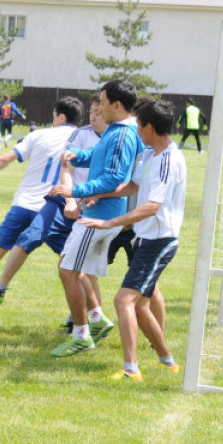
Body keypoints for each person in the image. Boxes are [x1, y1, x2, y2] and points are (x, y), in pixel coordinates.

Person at [75, 100, 185, 381]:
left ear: (148, 128)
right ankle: (168, 361)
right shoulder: (149, 153)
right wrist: (100, 195)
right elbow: (133, 186)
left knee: (123, 300)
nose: (135, 129)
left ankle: (130, 369)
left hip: (160, 241)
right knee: (139, 304)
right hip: (145, 237)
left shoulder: (170, 160)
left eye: (138, 125)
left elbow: (152, 206)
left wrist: (110, 222)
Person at [0, 97, 84, 328]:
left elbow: (5, 158)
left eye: (54, 116)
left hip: (24, 205)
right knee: (73, 267)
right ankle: (78, 317)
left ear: (61, 117)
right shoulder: (84, 140)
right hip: (55, 210)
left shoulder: (39, 135)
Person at [0, 95, 108, 331]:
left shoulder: (113, 140)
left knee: (78, 265)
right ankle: (1, 288)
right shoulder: (80, 134)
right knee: (28, 238)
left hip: (89, 207)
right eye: (91, 111)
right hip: (61, 201)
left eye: (98, 112)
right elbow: (66, 167)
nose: (93, 116)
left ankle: (91, 319)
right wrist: (70, 199)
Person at [47, 79, 144, 357]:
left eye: (102, 101)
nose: (98, 106)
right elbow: (97, 158)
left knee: (68, 270)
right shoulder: (115, 130)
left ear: (116, 105)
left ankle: (81, 334)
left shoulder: (124, 134)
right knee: (75, 270)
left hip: (99, 216)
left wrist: (74, 190)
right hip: (99, 213)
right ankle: (97, 321)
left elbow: (114, 177)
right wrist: (78, 155)